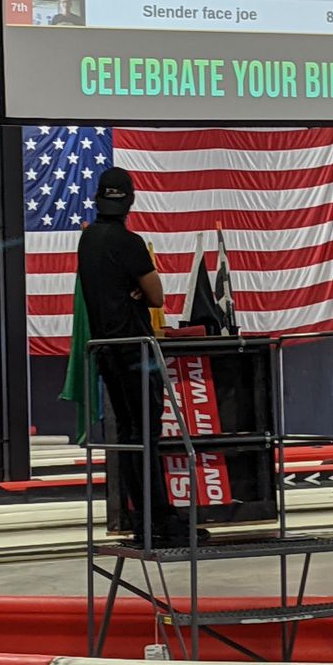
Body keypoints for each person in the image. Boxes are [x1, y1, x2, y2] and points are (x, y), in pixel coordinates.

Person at [77, 168, 197, 547]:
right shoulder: (129, 243)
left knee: (130, 437)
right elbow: (157, 296)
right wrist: (137, 291)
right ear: (129, 200)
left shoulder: (88, 239)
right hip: (134, 348)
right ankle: (161, 521)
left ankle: (142, 518)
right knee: (146, 436)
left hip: (105, 349)